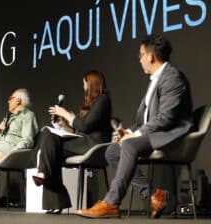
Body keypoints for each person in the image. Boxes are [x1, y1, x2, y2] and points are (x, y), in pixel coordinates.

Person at [77, 34, 193, 218]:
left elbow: (165, 119)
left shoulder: (172, 78)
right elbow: (144, 118)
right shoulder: (156, 79)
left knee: (129, 144)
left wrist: (135, 136)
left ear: (151, 56)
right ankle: (154, 195)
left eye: (140, 55)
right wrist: (128, 131)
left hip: (171, 135)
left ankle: (111, 203)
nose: (139, 60)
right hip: (155, 132)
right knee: (112, 151)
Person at [32, 70, 112, 214]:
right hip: (85, 141)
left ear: (91, 83)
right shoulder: (92, 103)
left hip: (96, 145)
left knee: (51, 144)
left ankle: (47, 180)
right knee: (49, 137)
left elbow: (86, 126)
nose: (83, 88)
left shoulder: (102, 100)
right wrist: (64, 125)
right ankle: (46, 180)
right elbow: (81, 130)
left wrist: (65, 113)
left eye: (84, 84)